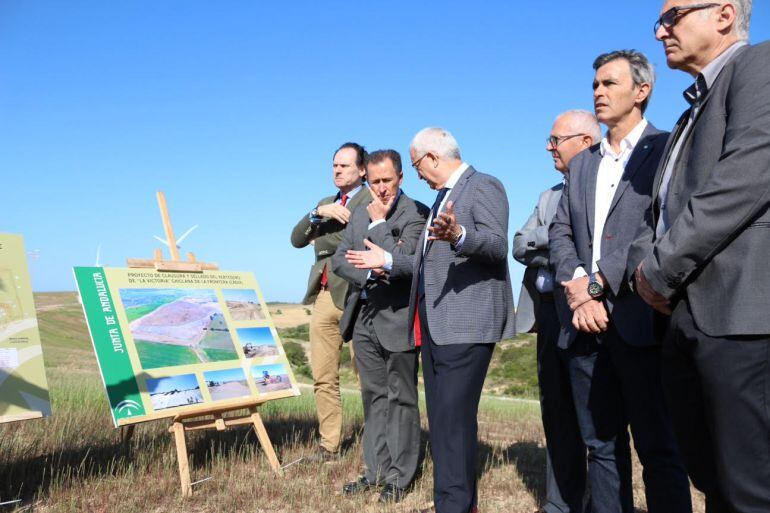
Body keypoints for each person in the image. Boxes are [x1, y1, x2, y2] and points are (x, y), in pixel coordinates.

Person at [632, 1, 770, 510]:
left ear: (724, 14)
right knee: (714, 481)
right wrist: (647, 268)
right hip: (684, 316)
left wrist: (658, 267)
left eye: (673, 16)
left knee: (749, 490)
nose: (661, 30)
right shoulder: (692, 109)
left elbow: (748, 176)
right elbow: (662, 212)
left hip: (740, 318)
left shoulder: (760, 66)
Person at [345, 127, 514, 513]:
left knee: (452, 423)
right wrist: (385, 260)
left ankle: (452, 506)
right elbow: (420, 264)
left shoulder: (483, 185)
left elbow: (497, 244)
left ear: (433, 157)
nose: (417, 174)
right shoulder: (443, 198)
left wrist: (458, 235)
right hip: (437, 327)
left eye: (417, 164)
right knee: (442, 423)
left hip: (465, 325)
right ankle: (452, 504)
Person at [550, 50, 691, 512]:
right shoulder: (584, 162)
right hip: (583, 326)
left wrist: (598, 284)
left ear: (642, 91)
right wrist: (576, 284)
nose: (598, 91)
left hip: (640, 320)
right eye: (595, 84)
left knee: (659, 448)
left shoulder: (668, 149)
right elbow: (561, 230)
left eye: (609, 83)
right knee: (602, 447)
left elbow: (655, 228)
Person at [514, 109, 600, 513]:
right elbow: (518, 244)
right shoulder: (549, 195)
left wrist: (548, 242)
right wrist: (553, 244)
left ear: (585, 142)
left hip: (585, 312)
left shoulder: (603, 187)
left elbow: (584, 247)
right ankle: (560, 503)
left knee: (595, 421)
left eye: (555, 140)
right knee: (556, 413)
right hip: (548, 315)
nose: (548, 147)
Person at [331, 149, 429, 503]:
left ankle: (400, 478)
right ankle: (374, 472)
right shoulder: (358, 212)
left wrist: (378, 228)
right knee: (373, 398)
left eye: (388, 181)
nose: (382, 189)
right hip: (365, 316)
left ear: (400, 178)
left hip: (400, 318)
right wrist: (373, 268)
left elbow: (407, 262)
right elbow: (341, 259)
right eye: (375, 182)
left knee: (401, 397)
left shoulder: (417, 213)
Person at [290, 142, 371, 461]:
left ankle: (376, 445)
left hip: (357, 295)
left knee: (367, 376)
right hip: (325, 295)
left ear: (362, 170)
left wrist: (321, 235)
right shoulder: (325, 203)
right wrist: (316, 214)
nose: (337, 170)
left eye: (345, 166)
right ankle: (329, 444)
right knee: (323, 376)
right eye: (334, 165)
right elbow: (297, 239)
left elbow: (358, 238)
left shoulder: (371, 199)